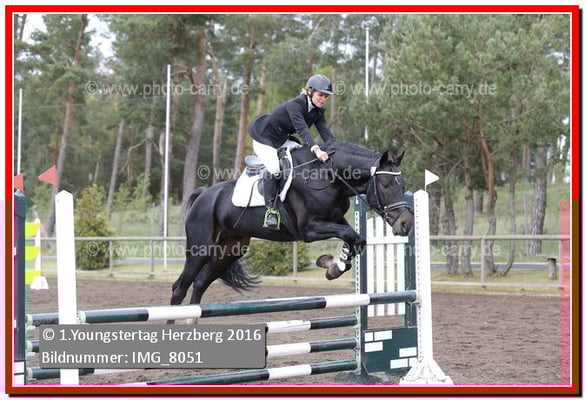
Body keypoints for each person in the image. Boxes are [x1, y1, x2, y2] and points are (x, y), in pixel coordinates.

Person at [247, 74, 336, 229]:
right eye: (320, 95)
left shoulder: (318, 111)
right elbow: (302, 130)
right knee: (275, 168)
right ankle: (271, 211)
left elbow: (325, 132)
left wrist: (337, 148)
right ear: (310, 91)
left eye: (326, 96)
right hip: (264, 138)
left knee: (301, 156)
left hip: (281, 139)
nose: (323, 99)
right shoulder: (296, 104)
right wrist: (317, 150)